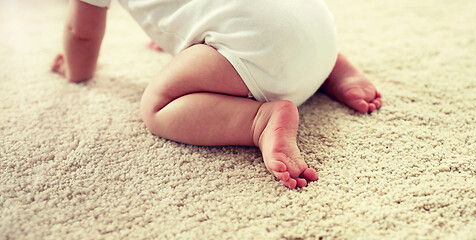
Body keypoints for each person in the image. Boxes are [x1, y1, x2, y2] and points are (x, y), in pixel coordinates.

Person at [51, 0, 382, 189]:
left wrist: (75, 70)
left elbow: (81, 34)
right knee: (267, 23)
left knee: (158, 105)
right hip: (315, 28)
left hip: (263, 54)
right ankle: (334, 67)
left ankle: (259, 121)